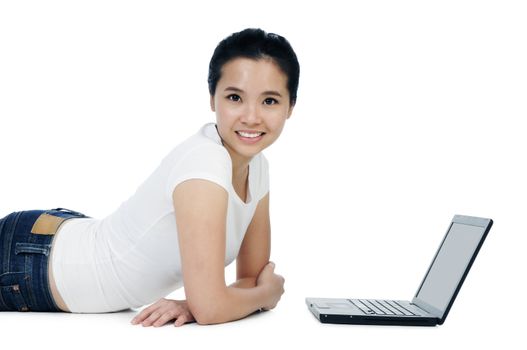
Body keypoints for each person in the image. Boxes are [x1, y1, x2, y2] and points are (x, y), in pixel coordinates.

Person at [0, 28, 300, 327]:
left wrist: (199, 302)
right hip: (30, 263)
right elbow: (227, 301)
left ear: (291, 106)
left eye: (270, 101)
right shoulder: (205, 162)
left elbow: (250, 279)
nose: (251, 116)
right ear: (212, 99)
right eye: (235, 97)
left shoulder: (258, 167)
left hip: (61, 241)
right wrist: (263, 296)